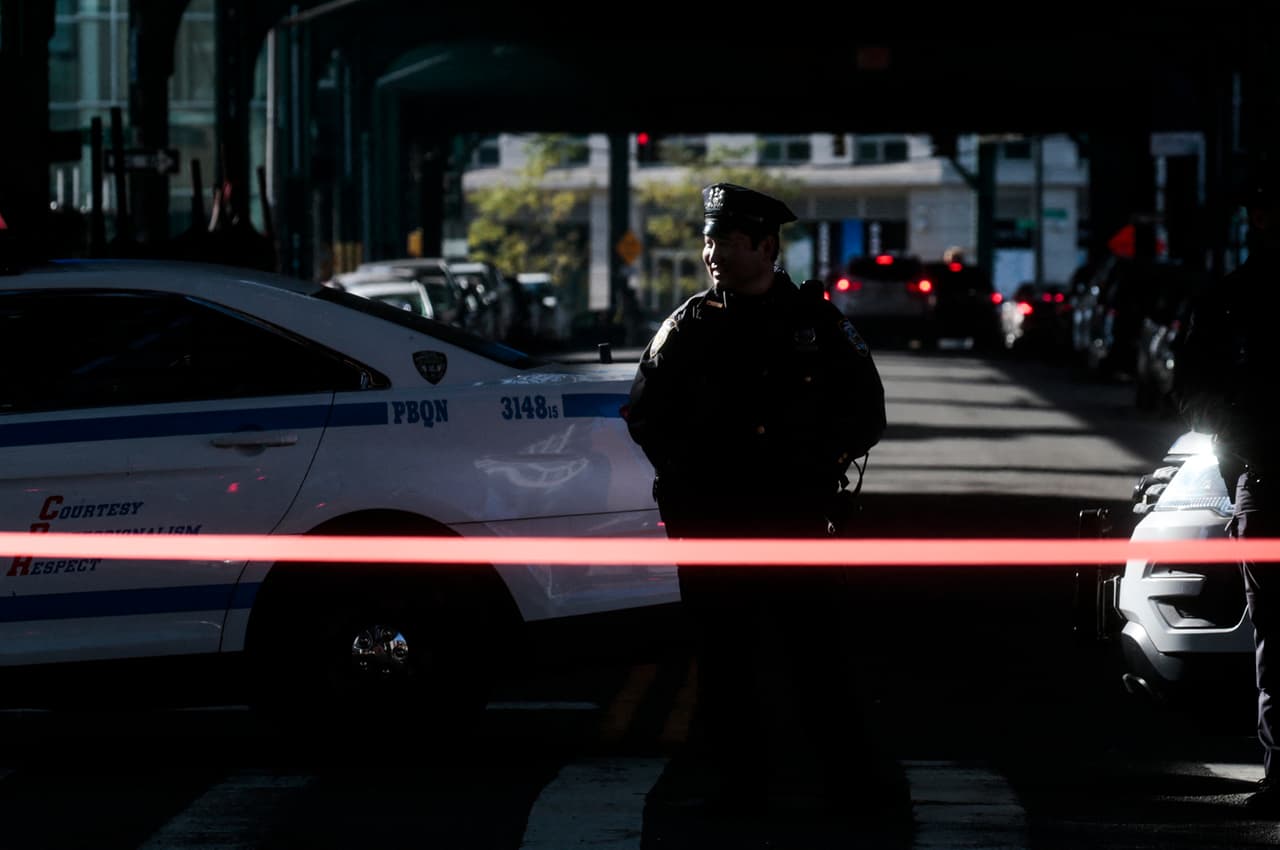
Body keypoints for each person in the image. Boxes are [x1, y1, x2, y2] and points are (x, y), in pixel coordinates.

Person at [625, 182, 892, 816]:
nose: (712, 251)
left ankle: (848, 789)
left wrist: (816, 463)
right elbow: (643, 413)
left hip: (796, 520)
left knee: (817, 661)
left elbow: (868, 412)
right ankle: (740, 789)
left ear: (767, 246)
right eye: (709, 238)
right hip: (715, 524)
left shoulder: (817, 323)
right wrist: (687, 480)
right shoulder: (688, 326)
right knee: (724, 669)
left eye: (728, 239)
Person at [1174, 155, 1280, 813]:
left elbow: (1193, 388)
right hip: (1267, 476)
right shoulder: (1232, 299)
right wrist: (1241, 443)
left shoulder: (1232, 297)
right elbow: (1194, 387)